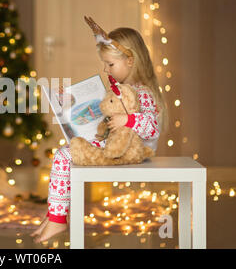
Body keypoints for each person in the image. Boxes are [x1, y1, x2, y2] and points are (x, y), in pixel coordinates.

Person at [31, 23, 169, 243]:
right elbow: (101, 111)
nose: (106, 70)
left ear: (130, 61)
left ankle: (58, 219)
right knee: (69, 150)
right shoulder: (122, 88)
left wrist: (128, 119)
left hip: (129, 150)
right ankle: (54, 215)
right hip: (119, 145)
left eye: (110, 64)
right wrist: (69, 99)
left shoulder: (142, 92)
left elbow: (152, 127)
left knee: (63, 156)